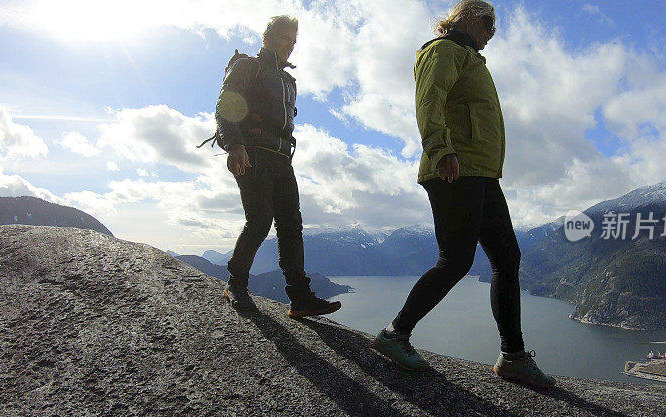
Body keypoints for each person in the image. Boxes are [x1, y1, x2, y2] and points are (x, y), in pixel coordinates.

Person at [370, 0, 555, 387]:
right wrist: (440, 149)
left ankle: (513, 356)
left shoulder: (471, 60)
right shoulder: (442, 51)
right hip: (454, 168)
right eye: (488, 23)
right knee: (455, 261)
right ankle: (394, 334)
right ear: (467, 18)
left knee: (507, 258)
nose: (491, 33)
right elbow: (429, 100)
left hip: (482, 173)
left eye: (495, 27)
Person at [215, 15, 341, 319]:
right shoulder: (248, 66)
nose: (291, 45)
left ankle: (300, 298)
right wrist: (235, 145)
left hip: (282, 157)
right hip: (253, 152)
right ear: (267, 38)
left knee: (290, 226)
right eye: (286, 38)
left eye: (294, 40)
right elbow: (225, 106)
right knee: (259, 218)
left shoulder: (287, 79)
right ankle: (236, 284)